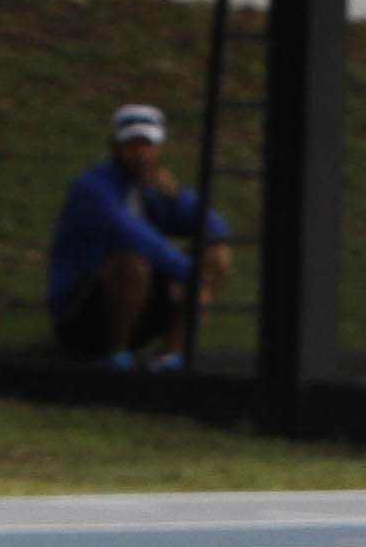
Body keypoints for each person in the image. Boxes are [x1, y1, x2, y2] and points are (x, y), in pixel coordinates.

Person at [47, 103, 231, 371]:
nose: (140, 154)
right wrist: (190, 276)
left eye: (148, 145)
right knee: (133, 261)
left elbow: (215, 227)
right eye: (131, 144)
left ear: (161, 147)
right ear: (114, 146)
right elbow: (130, 235)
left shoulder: (154, 189)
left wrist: (179, 196)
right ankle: (116, 354)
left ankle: (170, 355)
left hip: (142, 305)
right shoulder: (92, 188)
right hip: (81, 314)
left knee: (217, 255)